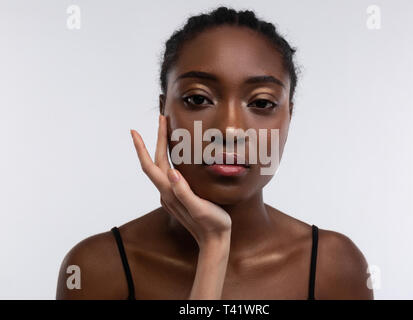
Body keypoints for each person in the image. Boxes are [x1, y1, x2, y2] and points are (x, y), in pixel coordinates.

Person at [56, 6, 374, 300]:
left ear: (288, 116)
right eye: (198, 99)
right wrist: (214, 246)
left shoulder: (336, 268)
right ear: (164, 110)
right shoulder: (95, 270)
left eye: (261, 103)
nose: (230, 130)